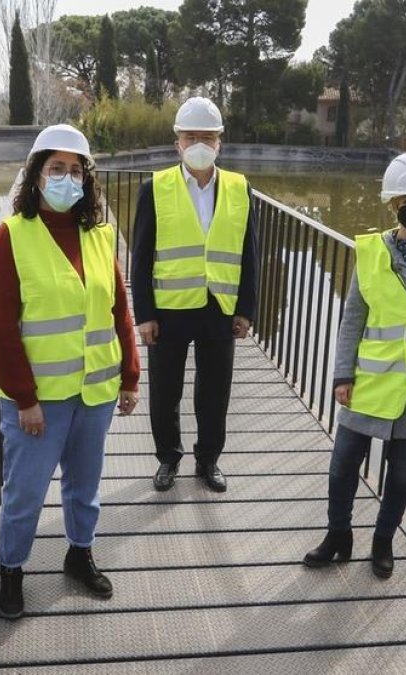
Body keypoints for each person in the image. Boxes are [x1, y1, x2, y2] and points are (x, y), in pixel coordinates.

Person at [0, 124, 141, 619]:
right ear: (35, 175)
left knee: (84, 485)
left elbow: (119, 309)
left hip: (94, 390)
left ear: (86, 179)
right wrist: (23, 397)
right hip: (39, 402)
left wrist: (131, 375)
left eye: (75, 170)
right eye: (56, 169)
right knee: (25, 493)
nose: (66, 179)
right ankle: (12, 571)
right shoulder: (12, 236)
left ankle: (79, 555)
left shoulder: (99, 235)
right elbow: (0, 325)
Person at [303, 152, 406, 579]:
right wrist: (342, 373)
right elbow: (353, 316)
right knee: (342, 468)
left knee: (401, 476)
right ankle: (338, 535)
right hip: (369, 384)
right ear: (393, 205)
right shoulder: (372, 252)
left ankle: (382, 542)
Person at [130, 96, 260, 493]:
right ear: (178, 143)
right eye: (192, 136)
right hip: (169, 309)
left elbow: (250, 253)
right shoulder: (155, 188)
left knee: (215, 391)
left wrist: (246, 309)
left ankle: (208, 461)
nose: (200, 143)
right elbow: (140, 255)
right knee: (165, 390)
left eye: (208, 136)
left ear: (220, 142)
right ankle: (168, 459)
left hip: (219, 307)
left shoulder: (240, 188)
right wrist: (145, 314)